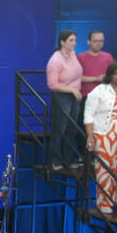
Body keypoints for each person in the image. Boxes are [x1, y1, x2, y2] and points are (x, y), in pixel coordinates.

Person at [85, 62, 117, 215]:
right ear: (110, 74)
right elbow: (89, 115)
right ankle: (104, 203)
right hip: (105, 134)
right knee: (106, 168)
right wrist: (90, 136)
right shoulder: (99, 91)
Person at [46, 30, 83, 170]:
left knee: (71, 129)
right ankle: (56, 160)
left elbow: (77, 74)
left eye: (75, 40)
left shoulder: (72, 55)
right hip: (62, 96)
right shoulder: (55, 60)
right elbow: (52, 84)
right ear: (62, 42)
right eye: (71, 40)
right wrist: (72, 90)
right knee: (60, 128)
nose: (74, 43)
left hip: (74, 96)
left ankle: (68, 159)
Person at [78, 30, 114, 98]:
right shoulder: (80, 57)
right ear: (88, 42)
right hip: (86, 95)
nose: (98, 43)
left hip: (105, 96)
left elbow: (113, 76)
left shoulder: (108, 57)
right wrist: (96, 79)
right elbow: (76, 78)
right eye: (95, 41)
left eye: (101, 41)